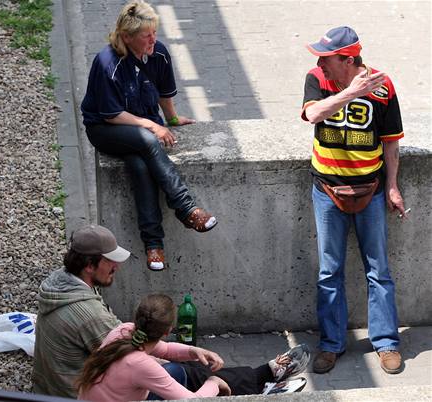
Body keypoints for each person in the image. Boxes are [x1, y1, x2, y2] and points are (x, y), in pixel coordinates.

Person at [81, 0, 217, 272]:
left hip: (139, 128)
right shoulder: (107, 62)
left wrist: (172, 119)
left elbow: (165, 93)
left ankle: (154, 245)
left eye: (155, 31)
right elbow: (111, 114)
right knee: (147, 141)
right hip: (107, 128)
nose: (153, 39)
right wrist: (152, 126)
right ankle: (186, 208)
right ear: (127, 37)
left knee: (140, 164)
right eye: (146, 35)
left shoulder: (159, 53)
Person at [301, 26, 405, 375]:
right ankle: (331, 344)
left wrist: (392, 186)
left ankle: (386, 342)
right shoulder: (317, 77)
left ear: (348, 59)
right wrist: (351, 92)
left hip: (370, 191)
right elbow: (313, 115)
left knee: (378, 270)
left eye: (327, 57)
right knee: (329, 271)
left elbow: (391, 142)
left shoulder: (383, 86)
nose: (320, 62)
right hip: (327, 190)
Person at [77, 294, 310, 401]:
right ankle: (264, 381)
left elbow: (166, 351)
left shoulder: (126, 331)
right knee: (206, 380)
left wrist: (195, 351)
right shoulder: (140, 364)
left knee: (189, 369)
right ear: (168, 330)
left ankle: (265, 376)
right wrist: (214, 384)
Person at [32, 224, 131, 398]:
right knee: (176, 374)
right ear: (89, 266)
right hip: (76, 396)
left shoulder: (58, 282)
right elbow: (132, 357)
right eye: (110, 261)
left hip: (46, 390)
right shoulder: (89, 316)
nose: (117, 267)